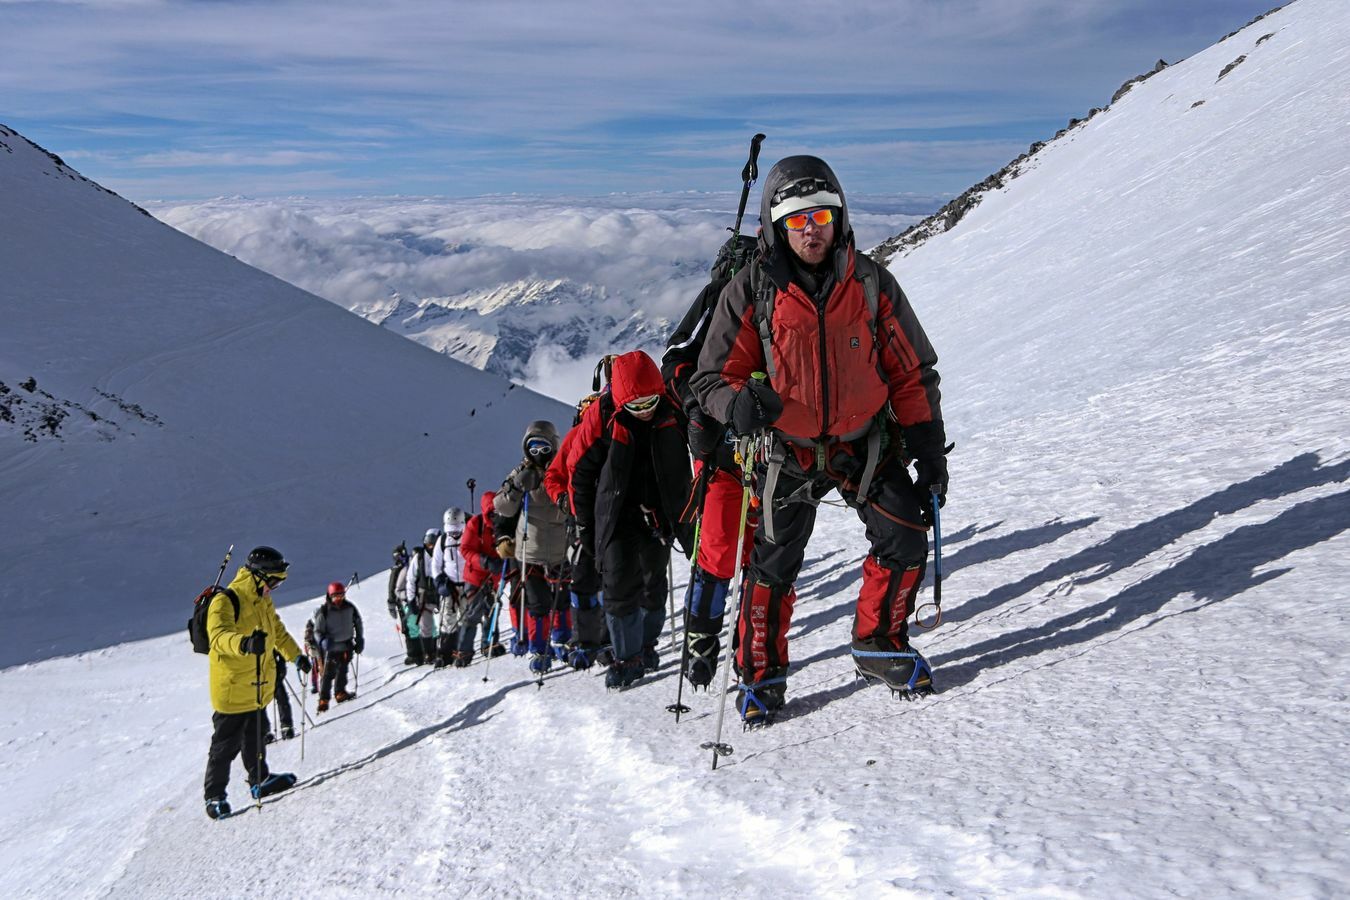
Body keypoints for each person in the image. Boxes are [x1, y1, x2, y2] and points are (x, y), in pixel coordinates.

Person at [692, 155, 948, 723]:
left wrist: (929, 450)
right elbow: (711, 377)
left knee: (905, 535)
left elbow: (910, 372)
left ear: (840, 219)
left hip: (866, 440)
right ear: (777, 227)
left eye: (822, 218)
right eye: (798, 221)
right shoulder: (752, 289)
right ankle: (760, 677)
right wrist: (735, 405)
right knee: (773, 564)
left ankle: (877, 644)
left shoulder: (871, 282)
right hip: (788, 447)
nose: (812, 231)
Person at [662, 233, 761, 689]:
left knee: (758, 559)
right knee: (722, 552)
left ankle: (753, 653)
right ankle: (706, 645)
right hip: (725, 456)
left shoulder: (780, 298)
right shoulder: (719, 298)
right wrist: (696, 407)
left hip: (764, 456)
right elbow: (677, 361)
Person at [569, 350, 693, 689]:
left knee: (654, 583)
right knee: (619, 587)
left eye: (651, 401)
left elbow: (699, 448)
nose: (646, 410)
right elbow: (578, 472)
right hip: (616, 516)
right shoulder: (602, 418)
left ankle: (648, 646)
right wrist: (584, 522)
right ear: (622, 400)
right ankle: (627, 656)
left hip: (659, 511)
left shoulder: (672, 410)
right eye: (636, 406)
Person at [203, 546, 312, 819]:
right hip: (232, 687)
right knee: (225, 745)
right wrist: (245, 643)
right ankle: (214, 796)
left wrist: (296, 656)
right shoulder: (227, 600)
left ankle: (259, 781)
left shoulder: (262, 600)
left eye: (280, 582)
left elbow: (278, 631)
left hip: (256, 685)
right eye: (274, 581)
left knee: (257, 733)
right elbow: (217, 637)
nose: (275, 587)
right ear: (258, 577)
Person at [493, 421, 570, 675]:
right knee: (537, 602)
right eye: (533, 448)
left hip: (560, 548)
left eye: (544, 447)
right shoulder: (519, 473)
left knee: (561, 598)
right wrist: (515, 487)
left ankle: (562, 640)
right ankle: (539, 649)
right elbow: (502, 509)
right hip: (530, 551)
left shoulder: (564, 468)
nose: (538, 454)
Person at [544, 399, 608, 670]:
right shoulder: (575, 438)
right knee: (585, 583)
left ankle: (601, 642)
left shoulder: (614, 432)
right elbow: (553, 477)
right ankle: (589, 642)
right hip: (581, 523)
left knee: (606, 583)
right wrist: (563, 500)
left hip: (606, 519)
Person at [457, 490, 510, 664]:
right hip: (475, 577)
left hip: (494, 578)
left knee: (492, 609)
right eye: (492, 513)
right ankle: (464, 652)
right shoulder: (475, 524)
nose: (495, 516)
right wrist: (484, 561)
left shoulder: (504, 525)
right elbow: (465, 550)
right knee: (472, 613)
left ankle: (490, 645)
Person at [313, 581, 365, 713]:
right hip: (331, 647)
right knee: (328, 674)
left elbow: (358, 623)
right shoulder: (324, 611)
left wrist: (359, 639)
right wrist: (323, 641)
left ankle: (340, 692)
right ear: (330, 596)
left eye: (341, 595)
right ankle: (324, 699)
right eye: (335, 596)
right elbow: (317, 631)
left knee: (343, 670)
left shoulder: (350, 608)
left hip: (346, 645)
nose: (338, 598)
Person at [432, 506, 468, 667]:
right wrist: (439, 581)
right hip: (450, 586)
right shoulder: (442, 541)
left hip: (467, 585)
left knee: (465, 619)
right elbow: (436, 564)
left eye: (456, 531)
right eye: (451, 531)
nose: (454, 534)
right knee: (447, 619)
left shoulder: (468, 537)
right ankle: (445, 653)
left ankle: (462, 652)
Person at [401, 529, 442, 665]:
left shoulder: (444, 553)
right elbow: (410, 580)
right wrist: (411, 600)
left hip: (441, 594)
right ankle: (429, 654)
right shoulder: (419, 558)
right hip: (424, 597)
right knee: (426, 626)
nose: (431, 547)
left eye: (433, 544)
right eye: (428, 544)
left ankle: (445, 650)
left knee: (445, 623)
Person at [387, 543, 416, 664]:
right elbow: (392, 588)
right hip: (403, 601)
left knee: (419, 624)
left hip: (414, 598)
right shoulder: (397, 570)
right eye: (398, 556)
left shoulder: (412, 565)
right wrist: (391, 604)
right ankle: (413, 652)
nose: (401, 559)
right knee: (408, 627)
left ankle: (424, 649)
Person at [266, 651, 296, 741]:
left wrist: (282, 666)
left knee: (282, 698)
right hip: (256, 675)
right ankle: (263, 731)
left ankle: (286, 726)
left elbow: (279, 648)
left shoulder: (269, 637)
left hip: (274, 672)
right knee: (258, 704)